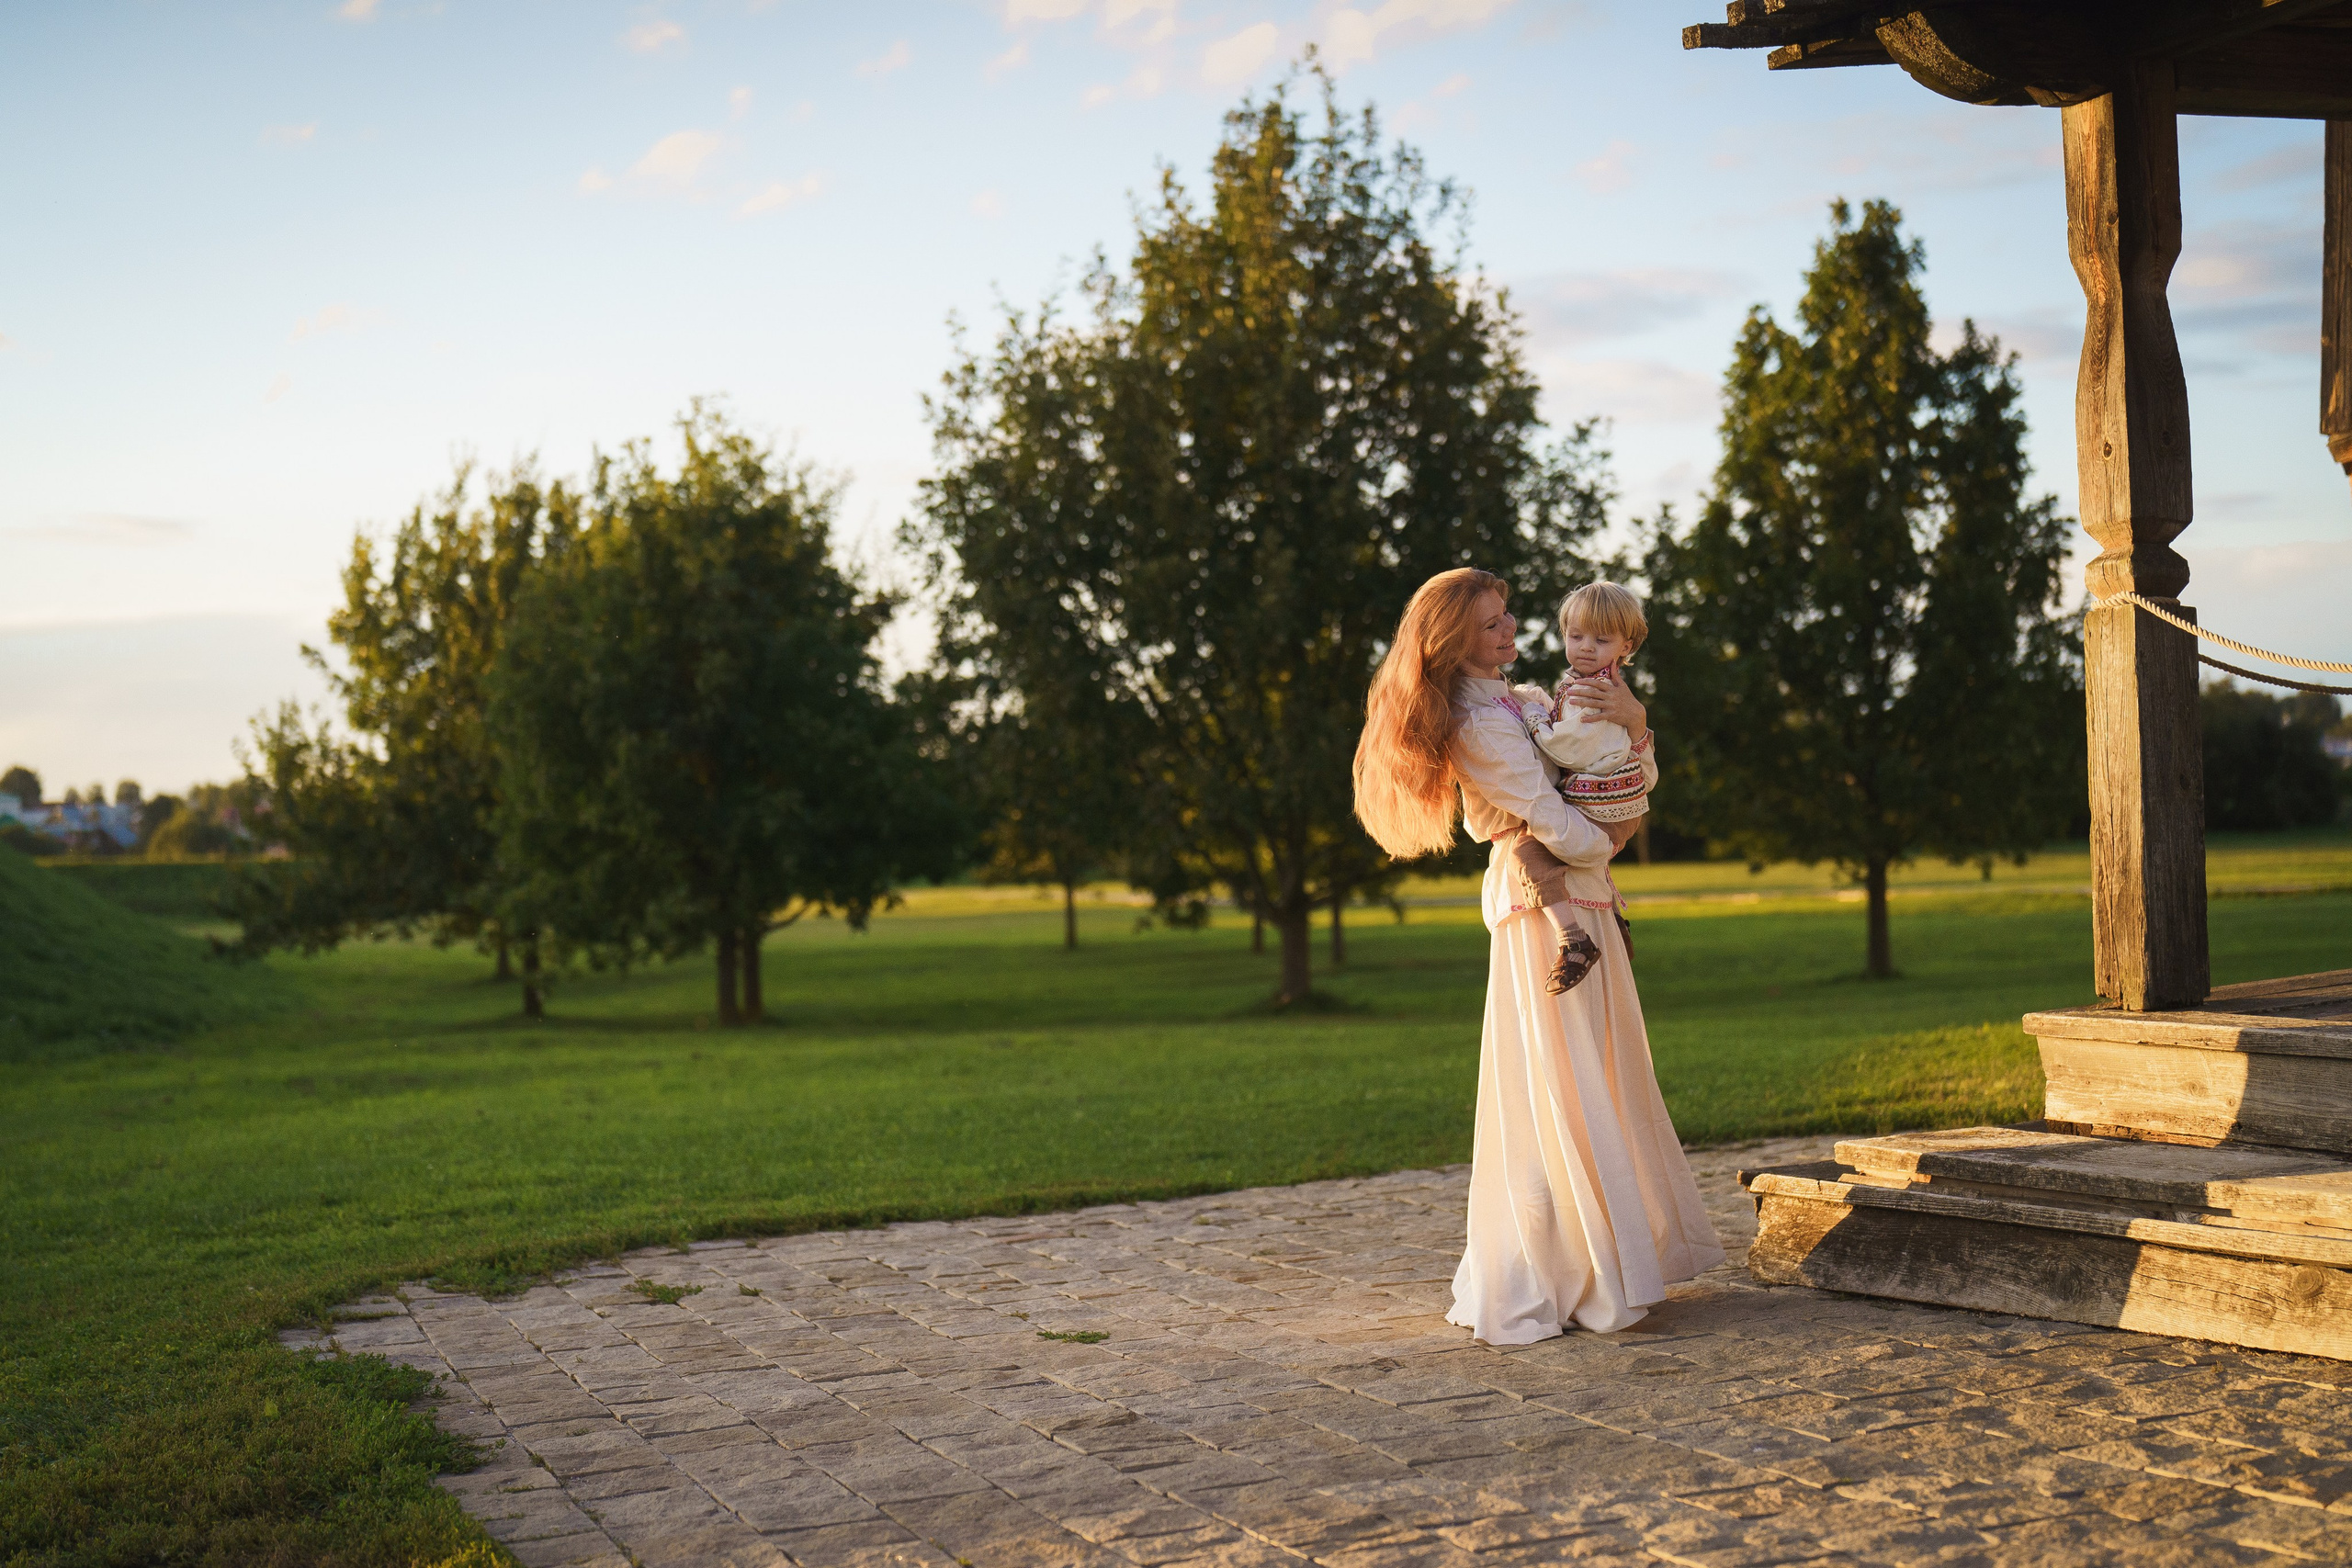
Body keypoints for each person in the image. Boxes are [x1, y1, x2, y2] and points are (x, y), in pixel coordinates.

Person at [1351, 567, 1723, 1341]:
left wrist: (1639, 724)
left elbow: (1622, 767)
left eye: (1507, 615)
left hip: (1578, 887)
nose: (1509, 629)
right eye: (1490, 623)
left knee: (1602, 1075)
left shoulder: (1519, 701)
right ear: (1454, 639)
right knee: (1560, 1080)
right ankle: (1561, 1269)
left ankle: (1611, 1258)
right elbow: (1547, 813)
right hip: (1540, 907)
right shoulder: (1477, 722)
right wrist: (1612, 841)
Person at [1500, 581, 1654, 995]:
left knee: (1529, 852)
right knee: (1559, 845)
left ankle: (1574, 940)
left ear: (1627, 645)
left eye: (1601, 639)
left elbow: (1565, 748)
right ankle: (1611, 920)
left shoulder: (1594, 692)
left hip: (1605, 809)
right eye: (1575, 636)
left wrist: (1534, 718)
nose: (1586, 647)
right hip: (1616, 804)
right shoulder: (1599, 684)